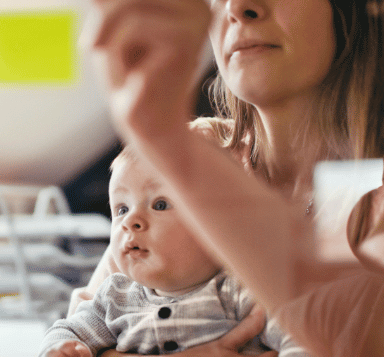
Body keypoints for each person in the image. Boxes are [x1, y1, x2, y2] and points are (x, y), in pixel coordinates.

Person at [73, 0, 384, 356]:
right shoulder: (195, 150)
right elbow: (78, 333)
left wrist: (166, 139)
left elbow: (380, 345)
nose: (238, 5)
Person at [40, 145, 307, 357]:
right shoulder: (114, 297)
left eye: (160, 204)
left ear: (218, 229)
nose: (130, 220)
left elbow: (302, 340)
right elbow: (67, 330)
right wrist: (62, 349)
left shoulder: (240, 294)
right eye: (121, 209)